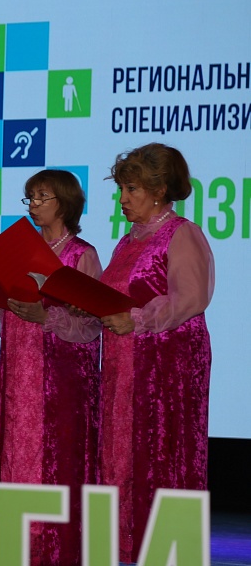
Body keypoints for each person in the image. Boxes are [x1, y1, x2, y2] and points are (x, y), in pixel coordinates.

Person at [0, 169, 102, 566]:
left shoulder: (81, 254)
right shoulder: (19, 250)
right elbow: (0, 319)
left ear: (64, 202)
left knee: (57, 462)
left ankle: (54, 553)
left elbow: (92, 324)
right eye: (29, 197)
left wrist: (45, 316)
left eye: (41, 197)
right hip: (18, 374)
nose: (32, 204)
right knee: (17, 457)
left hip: (62, 380)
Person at [99, 143, 213, 563]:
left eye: (131, 189)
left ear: (160, 189)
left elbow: (191, 297)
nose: (123, 199)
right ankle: (126, 546)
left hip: (165, 366)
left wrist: (137, 320)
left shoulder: (182, 233)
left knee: (161, 452)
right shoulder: (126, 241)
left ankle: (165, 550)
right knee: (122, 454)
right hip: (123, 364)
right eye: (122, 189)